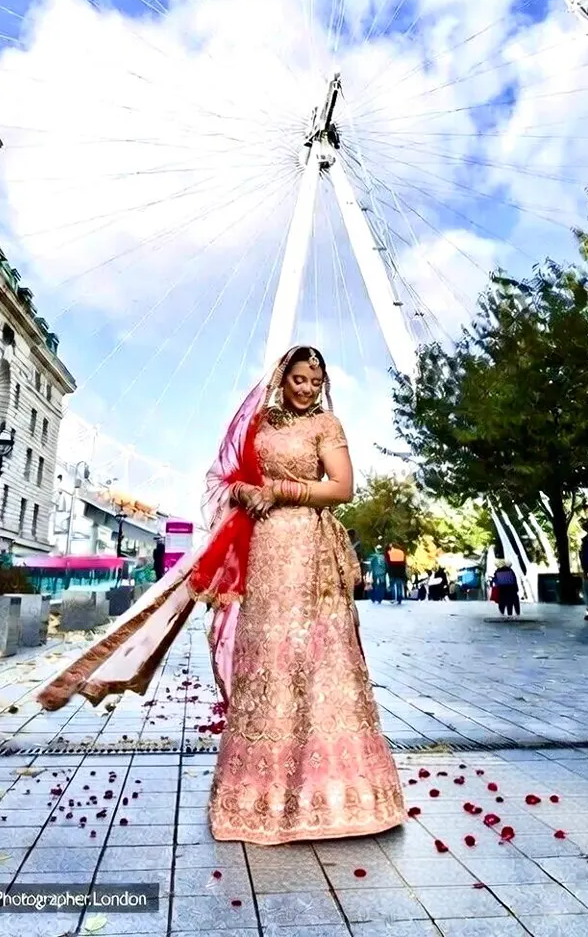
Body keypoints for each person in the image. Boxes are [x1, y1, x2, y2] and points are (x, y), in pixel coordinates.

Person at [36, 346, 405, 846]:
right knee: (265, 658)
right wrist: (243, 492)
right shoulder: (258, 424)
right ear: (282, 378)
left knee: (315, 657)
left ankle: (338, 796)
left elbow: (342, 489)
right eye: (299, 379)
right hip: (264, 549)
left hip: (309, 551)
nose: (306, 389)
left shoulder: (326, 425)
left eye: (315, 382)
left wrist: (281, 491)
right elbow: (222, 478)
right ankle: (256, 798)